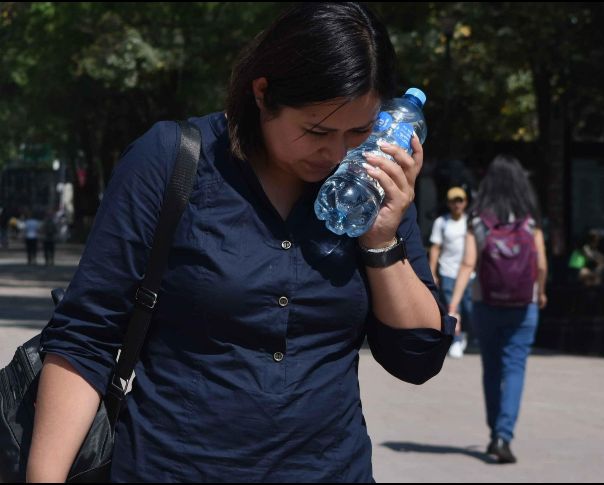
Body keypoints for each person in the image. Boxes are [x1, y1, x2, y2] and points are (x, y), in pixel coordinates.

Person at [28, 3, 454, 482]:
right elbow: (87, 337)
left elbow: (416, 357)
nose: (337, 152)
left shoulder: (374, 183)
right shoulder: (172, 160)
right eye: (316, 131)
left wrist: (382, 239)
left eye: (358, 131)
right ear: (263, 94)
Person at [447, 155, 548, 464]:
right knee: (515, 367)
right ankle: (504, 436)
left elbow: (467, 264)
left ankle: (494, 433)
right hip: (523, 304)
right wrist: (540, 293)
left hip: (485, 303)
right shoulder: (530, 219)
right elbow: (541, 264)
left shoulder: (478, 219)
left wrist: (454, 306)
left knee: (491, 368)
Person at [429, 186, 473, 358]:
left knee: (468, 308)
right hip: (448, 270)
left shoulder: (470, 222)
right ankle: (456, 338)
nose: (457, 205)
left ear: (465, 203)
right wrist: (433, 270)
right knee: (452, 307)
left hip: (468, 273)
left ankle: (465, 333)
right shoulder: (442, 222)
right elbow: (435, 248)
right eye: (454, 201)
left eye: (460, 201)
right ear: (448, 203)